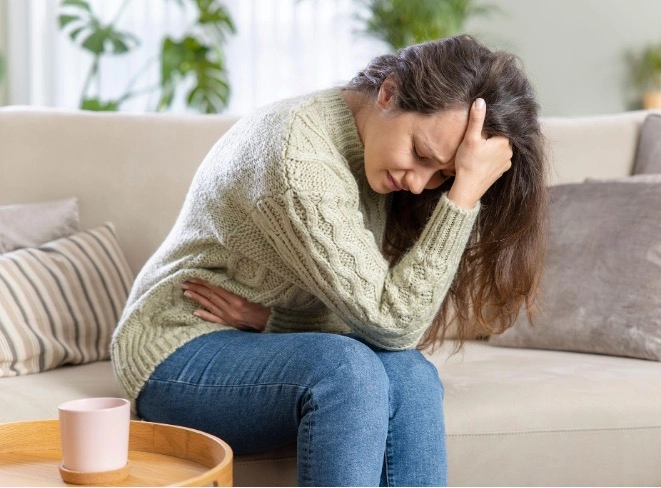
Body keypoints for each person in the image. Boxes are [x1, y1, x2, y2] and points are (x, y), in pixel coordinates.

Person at [111, 34, 546, 487]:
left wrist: (274, 321)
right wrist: (463, 196)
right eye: (420, 154)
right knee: (347, 373)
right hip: (177, 349)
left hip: (260, 342)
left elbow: (380, 327)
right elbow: (393, 321)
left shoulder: (373, 154)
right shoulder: (298, 157)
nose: (421, 184)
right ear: (389, 92)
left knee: (411, 376)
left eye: (443, 176)